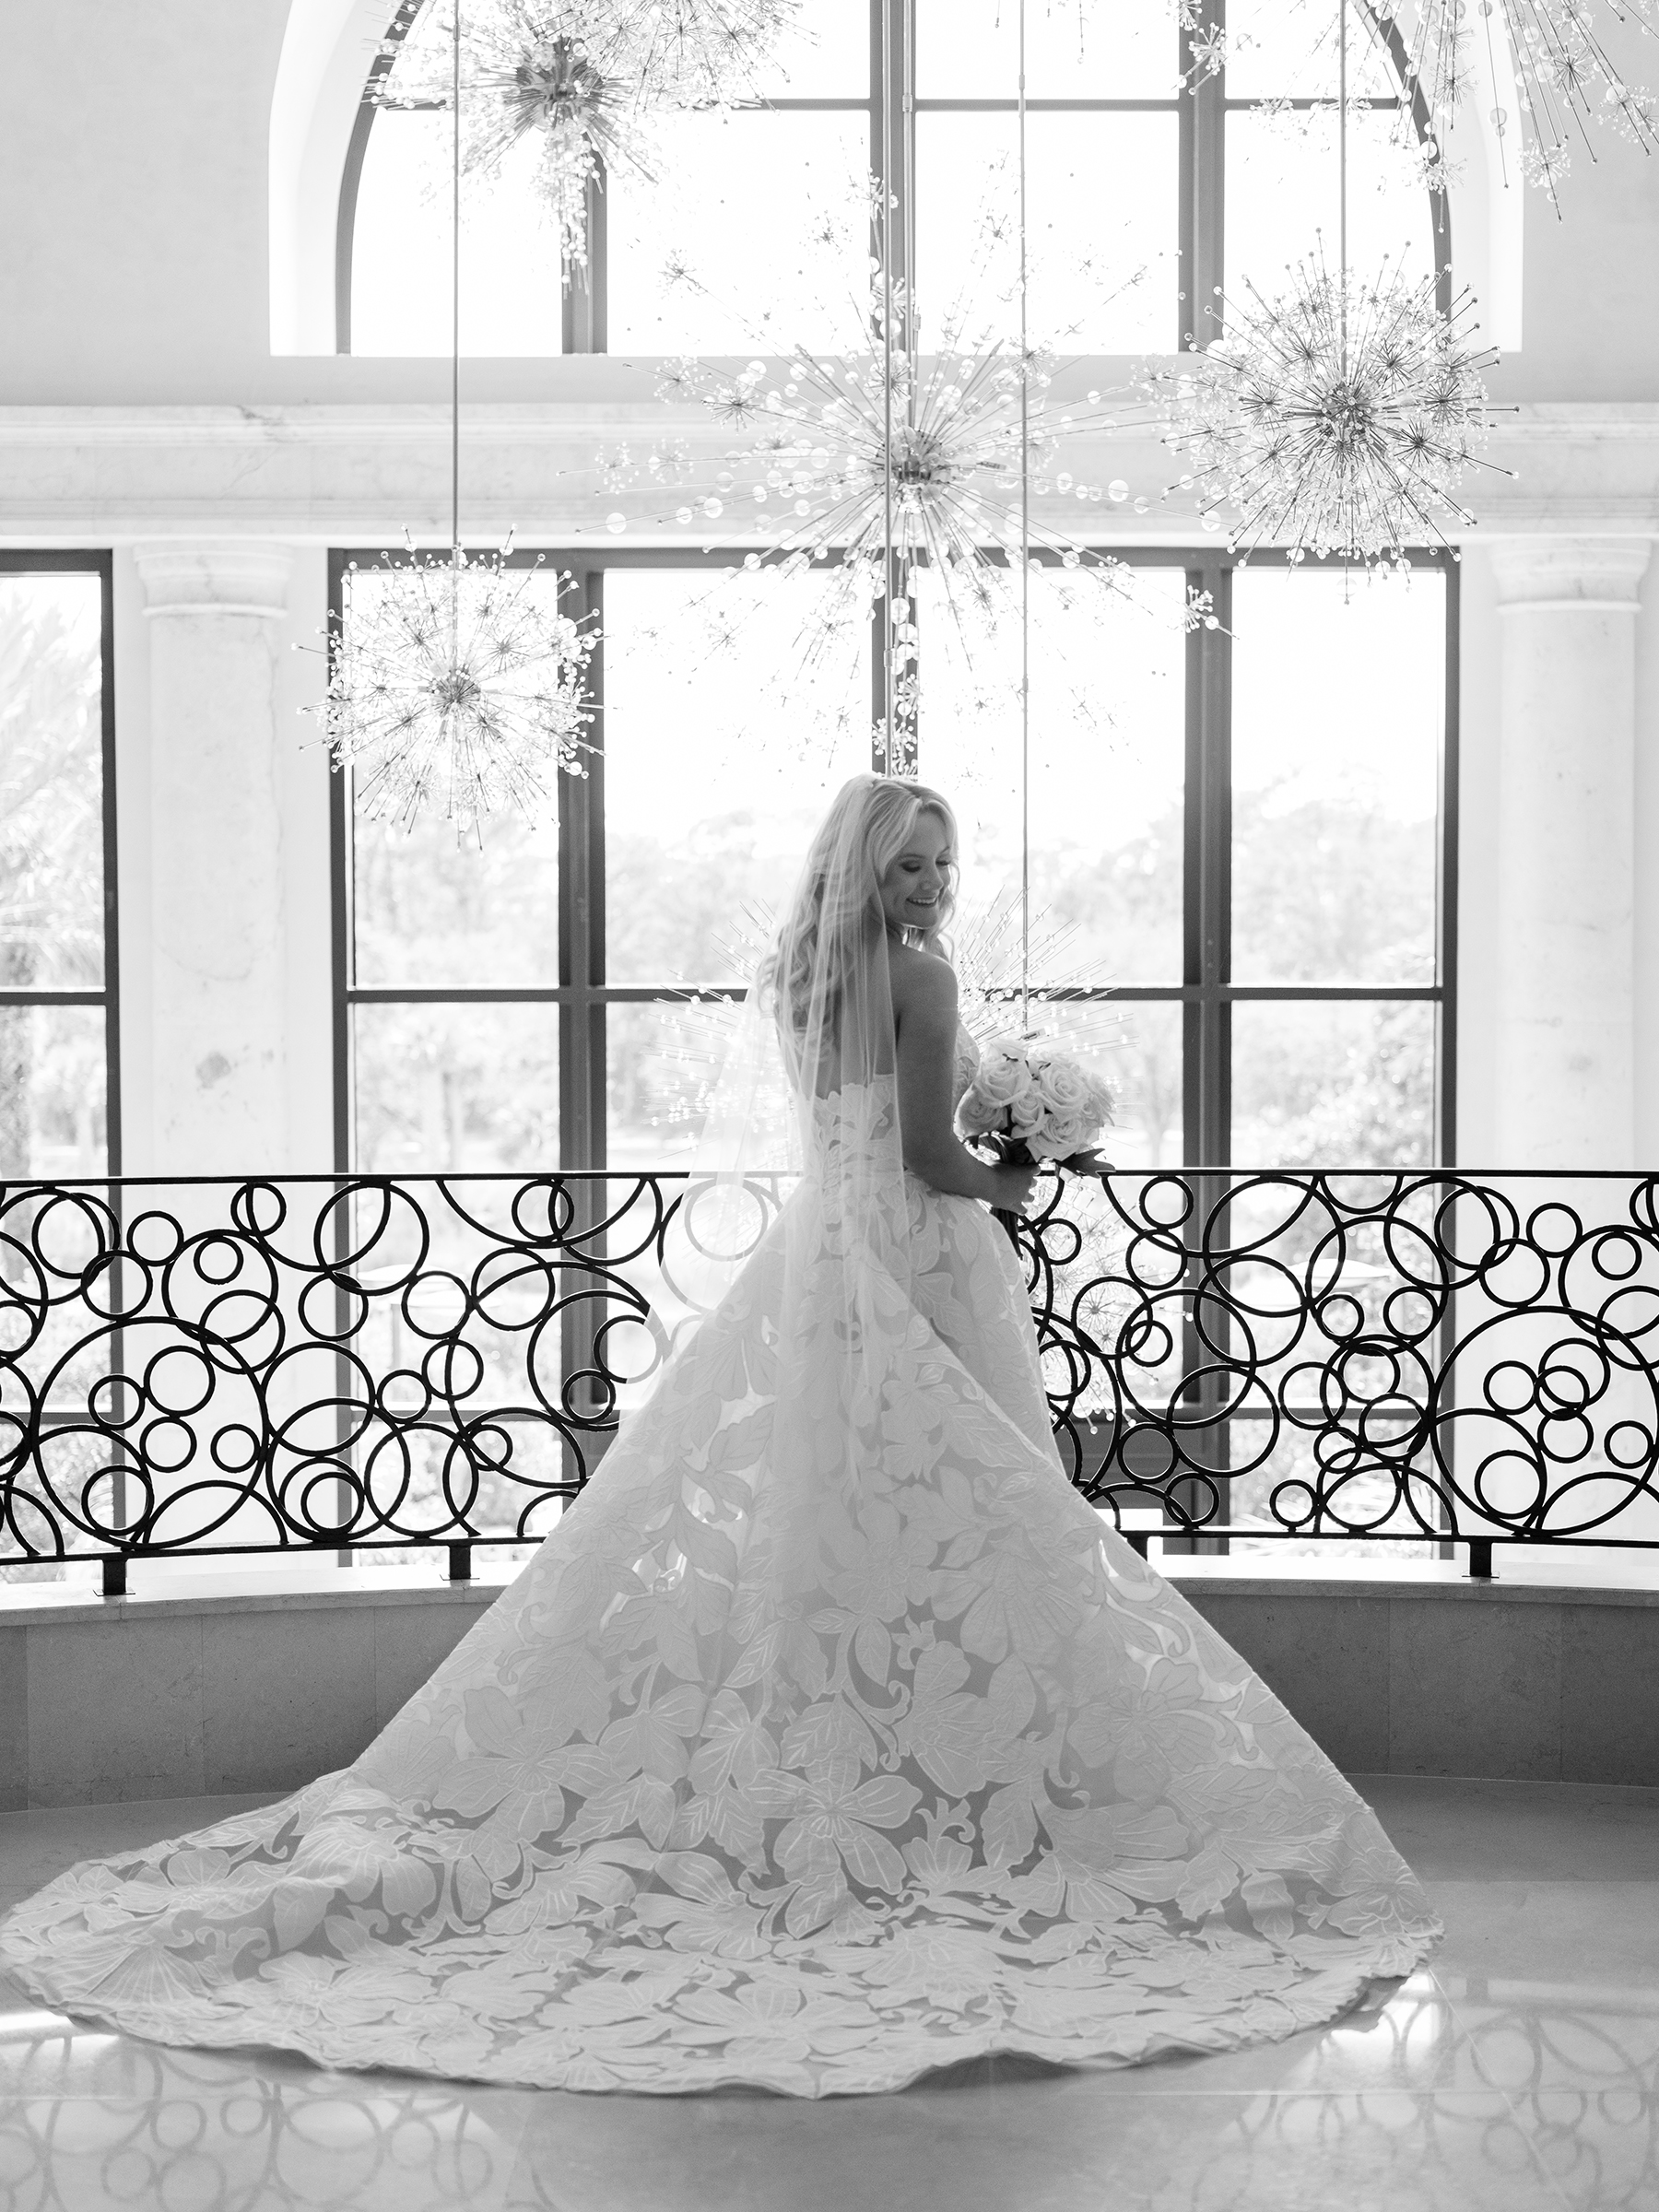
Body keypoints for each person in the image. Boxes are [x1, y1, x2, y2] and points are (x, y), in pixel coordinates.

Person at [0, 774, 1438, 2097]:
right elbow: (934, 1157)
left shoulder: (798, 974)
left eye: (945, 864)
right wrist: (1023, 1169)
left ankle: (869, 1783)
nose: (934, 887)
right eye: (913, 863)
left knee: (821, 1526)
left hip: (819, 1260)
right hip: (917, 1264)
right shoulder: (923, 977)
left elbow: (850, 1133)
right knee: (980, 1527)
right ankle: (942, 1800)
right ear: (869, 867)